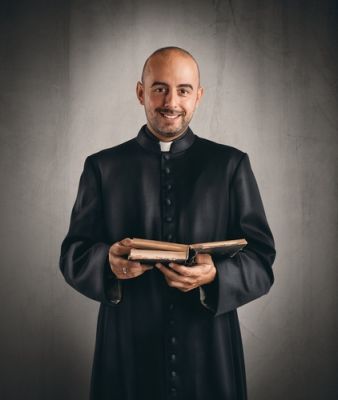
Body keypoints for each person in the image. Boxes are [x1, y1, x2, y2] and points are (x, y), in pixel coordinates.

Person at [60, 46, 276, 400]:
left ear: (199, 96)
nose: (170, 101)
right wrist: (108, 263)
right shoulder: (102, 167)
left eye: (183, 90)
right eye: (159, 88)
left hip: (209, 350)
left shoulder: (230, 165)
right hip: (126, 349)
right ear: (140, 92)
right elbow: (73, 254)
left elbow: (262, 260)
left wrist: (216, 275)